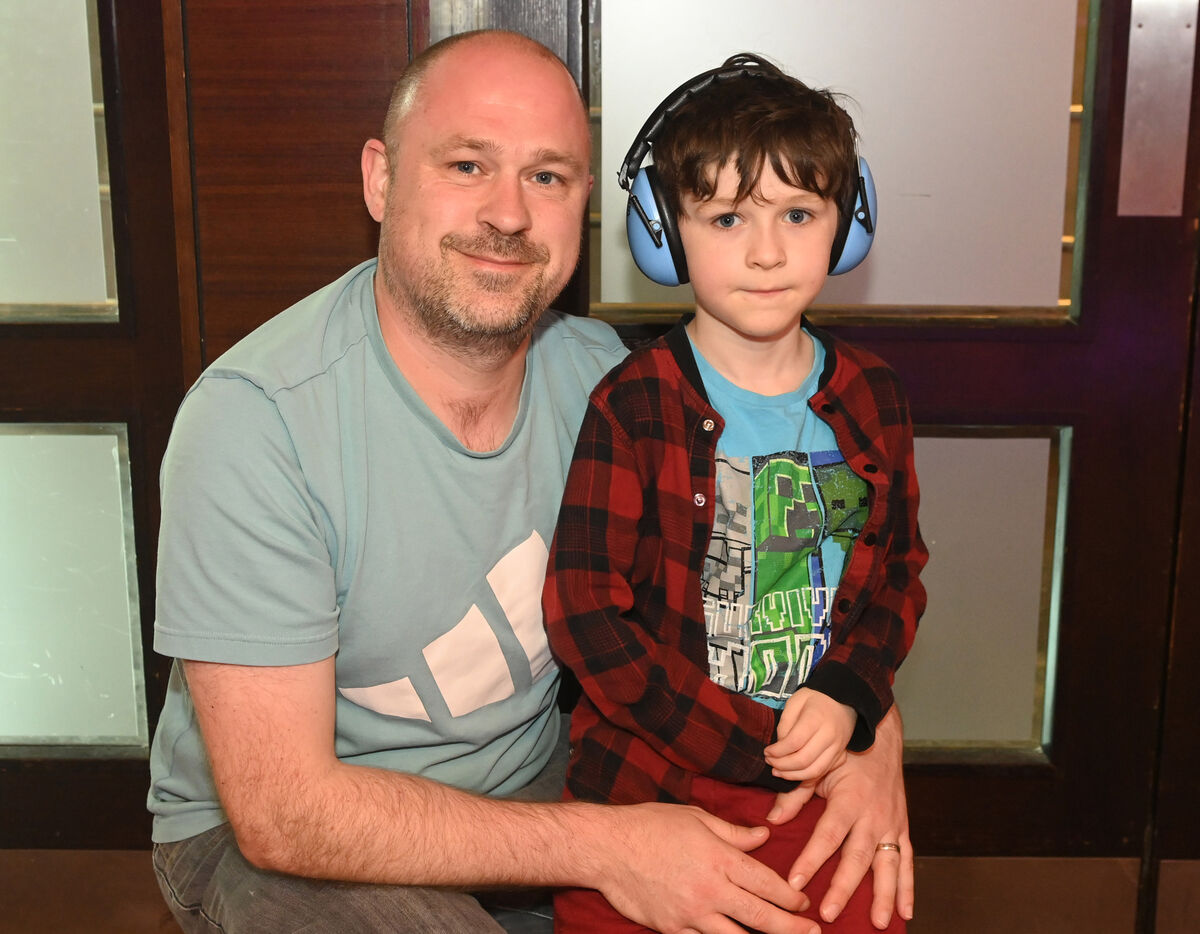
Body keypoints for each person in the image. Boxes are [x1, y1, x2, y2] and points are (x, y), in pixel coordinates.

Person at [147, 30, 913, 934]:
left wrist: (868, 728)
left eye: (547, 177)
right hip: (283, 841)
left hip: (544, 781)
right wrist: (609, 848)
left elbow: (801, 582)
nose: (508, 214)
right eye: (468, 164)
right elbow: (286, 814)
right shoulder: (254, 422)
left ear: (588, 207)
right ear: (381, 180)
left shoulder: (618, 390)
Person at [543, 55, 927, 933]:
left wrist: (848, 693)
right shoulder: (636, 404)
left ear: (847, 223)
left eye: (799, 213)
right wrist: (750, 744)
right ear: (665, 235)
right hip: (653, 787)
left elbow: (898, 576)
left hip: (821, 783)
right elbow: (584, 614)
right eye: (725, 218)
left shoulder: (874, 398)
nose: (766, 250)